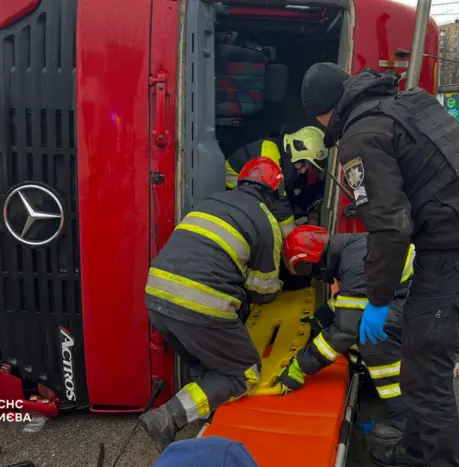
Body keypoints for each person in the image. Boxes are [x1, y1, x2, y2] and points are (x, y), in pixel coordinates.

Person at [301, 62, 459, 467]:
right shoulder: (403, 103)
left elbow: (390, 229)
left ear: (323, 112)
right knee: (415, 356)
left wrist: (376, 299)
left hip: (455, 246)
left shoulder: (361, 135)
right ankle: (416, 451)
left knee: (427, 370)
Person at [140, 157, 285, 452]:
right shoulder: (265, 220)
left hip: (156, 294)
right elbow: (264, 290)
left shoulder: (212, 201)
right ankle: (167, 418)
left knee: (207, 363)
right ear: (273, 193)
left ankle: (206, 412)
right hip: (200, 304)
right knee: (243, 373)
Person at [275, 225, 414, 445]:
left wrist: (300, 366)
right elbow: (352, 301)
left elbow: (345, 331)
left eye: (303, 268)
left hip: (422, 305)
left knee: (372, 336)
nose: (310, 275)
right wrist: (321, 319)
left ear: (313, 259)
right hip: (413, 294)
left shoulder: (356, 264)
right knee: (362, 322)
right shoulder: (351, 250)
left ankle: (406, 422)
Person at [225, 126, 326, 237]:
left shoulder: (279, 153)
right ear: (296, 153)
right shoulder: (269, 157)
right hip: (234, 191)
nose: (303, 171)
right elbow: (279, 202)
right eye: (304, 164)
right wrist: (292, 235)